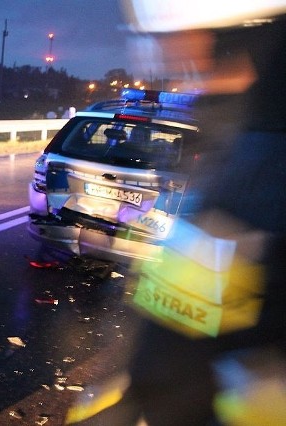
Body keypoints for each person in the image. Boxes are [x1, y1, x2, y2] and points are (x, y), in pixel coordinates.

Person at [66, 2, 286, 424]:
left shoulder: (257, 165)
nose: (159, 52)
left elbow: (194, 353)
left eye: (159, 35)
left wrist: (140, 399)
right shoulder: (243, 135)